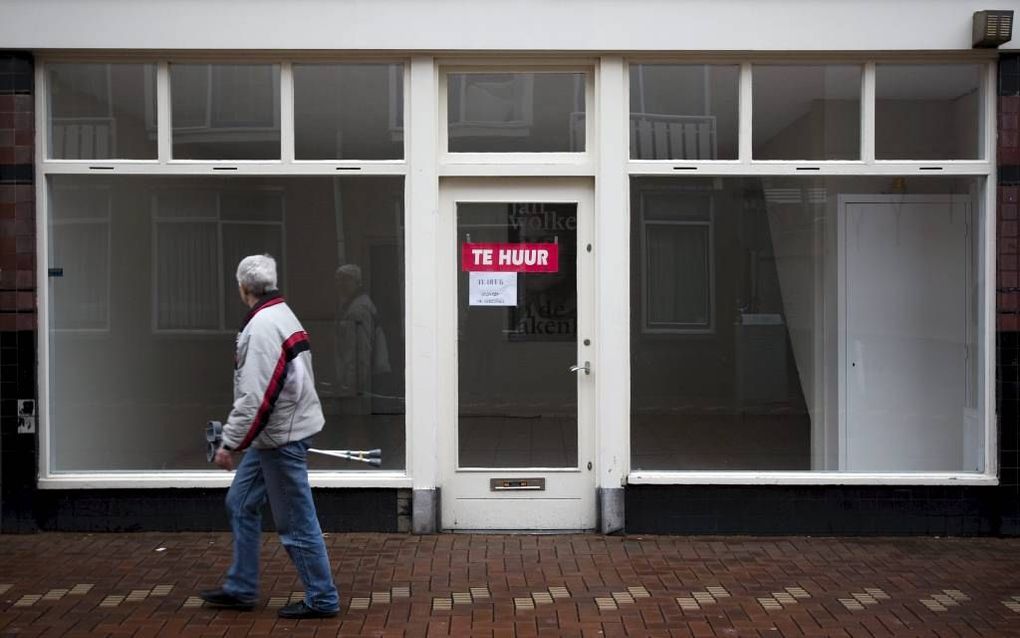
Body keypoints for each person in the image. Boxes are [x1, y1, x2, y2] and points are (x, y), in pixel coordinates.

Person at [199, 254, 340, 619]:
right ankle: (242, 587)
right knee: (241, 502)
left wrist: (230, 442)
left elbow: (255, 398)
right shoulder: (282, 314)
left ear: (243, 287)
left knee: (295, 520)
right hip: (278, 433)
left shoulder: (261, 327)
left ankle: (322, 597)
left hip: (281, 438)